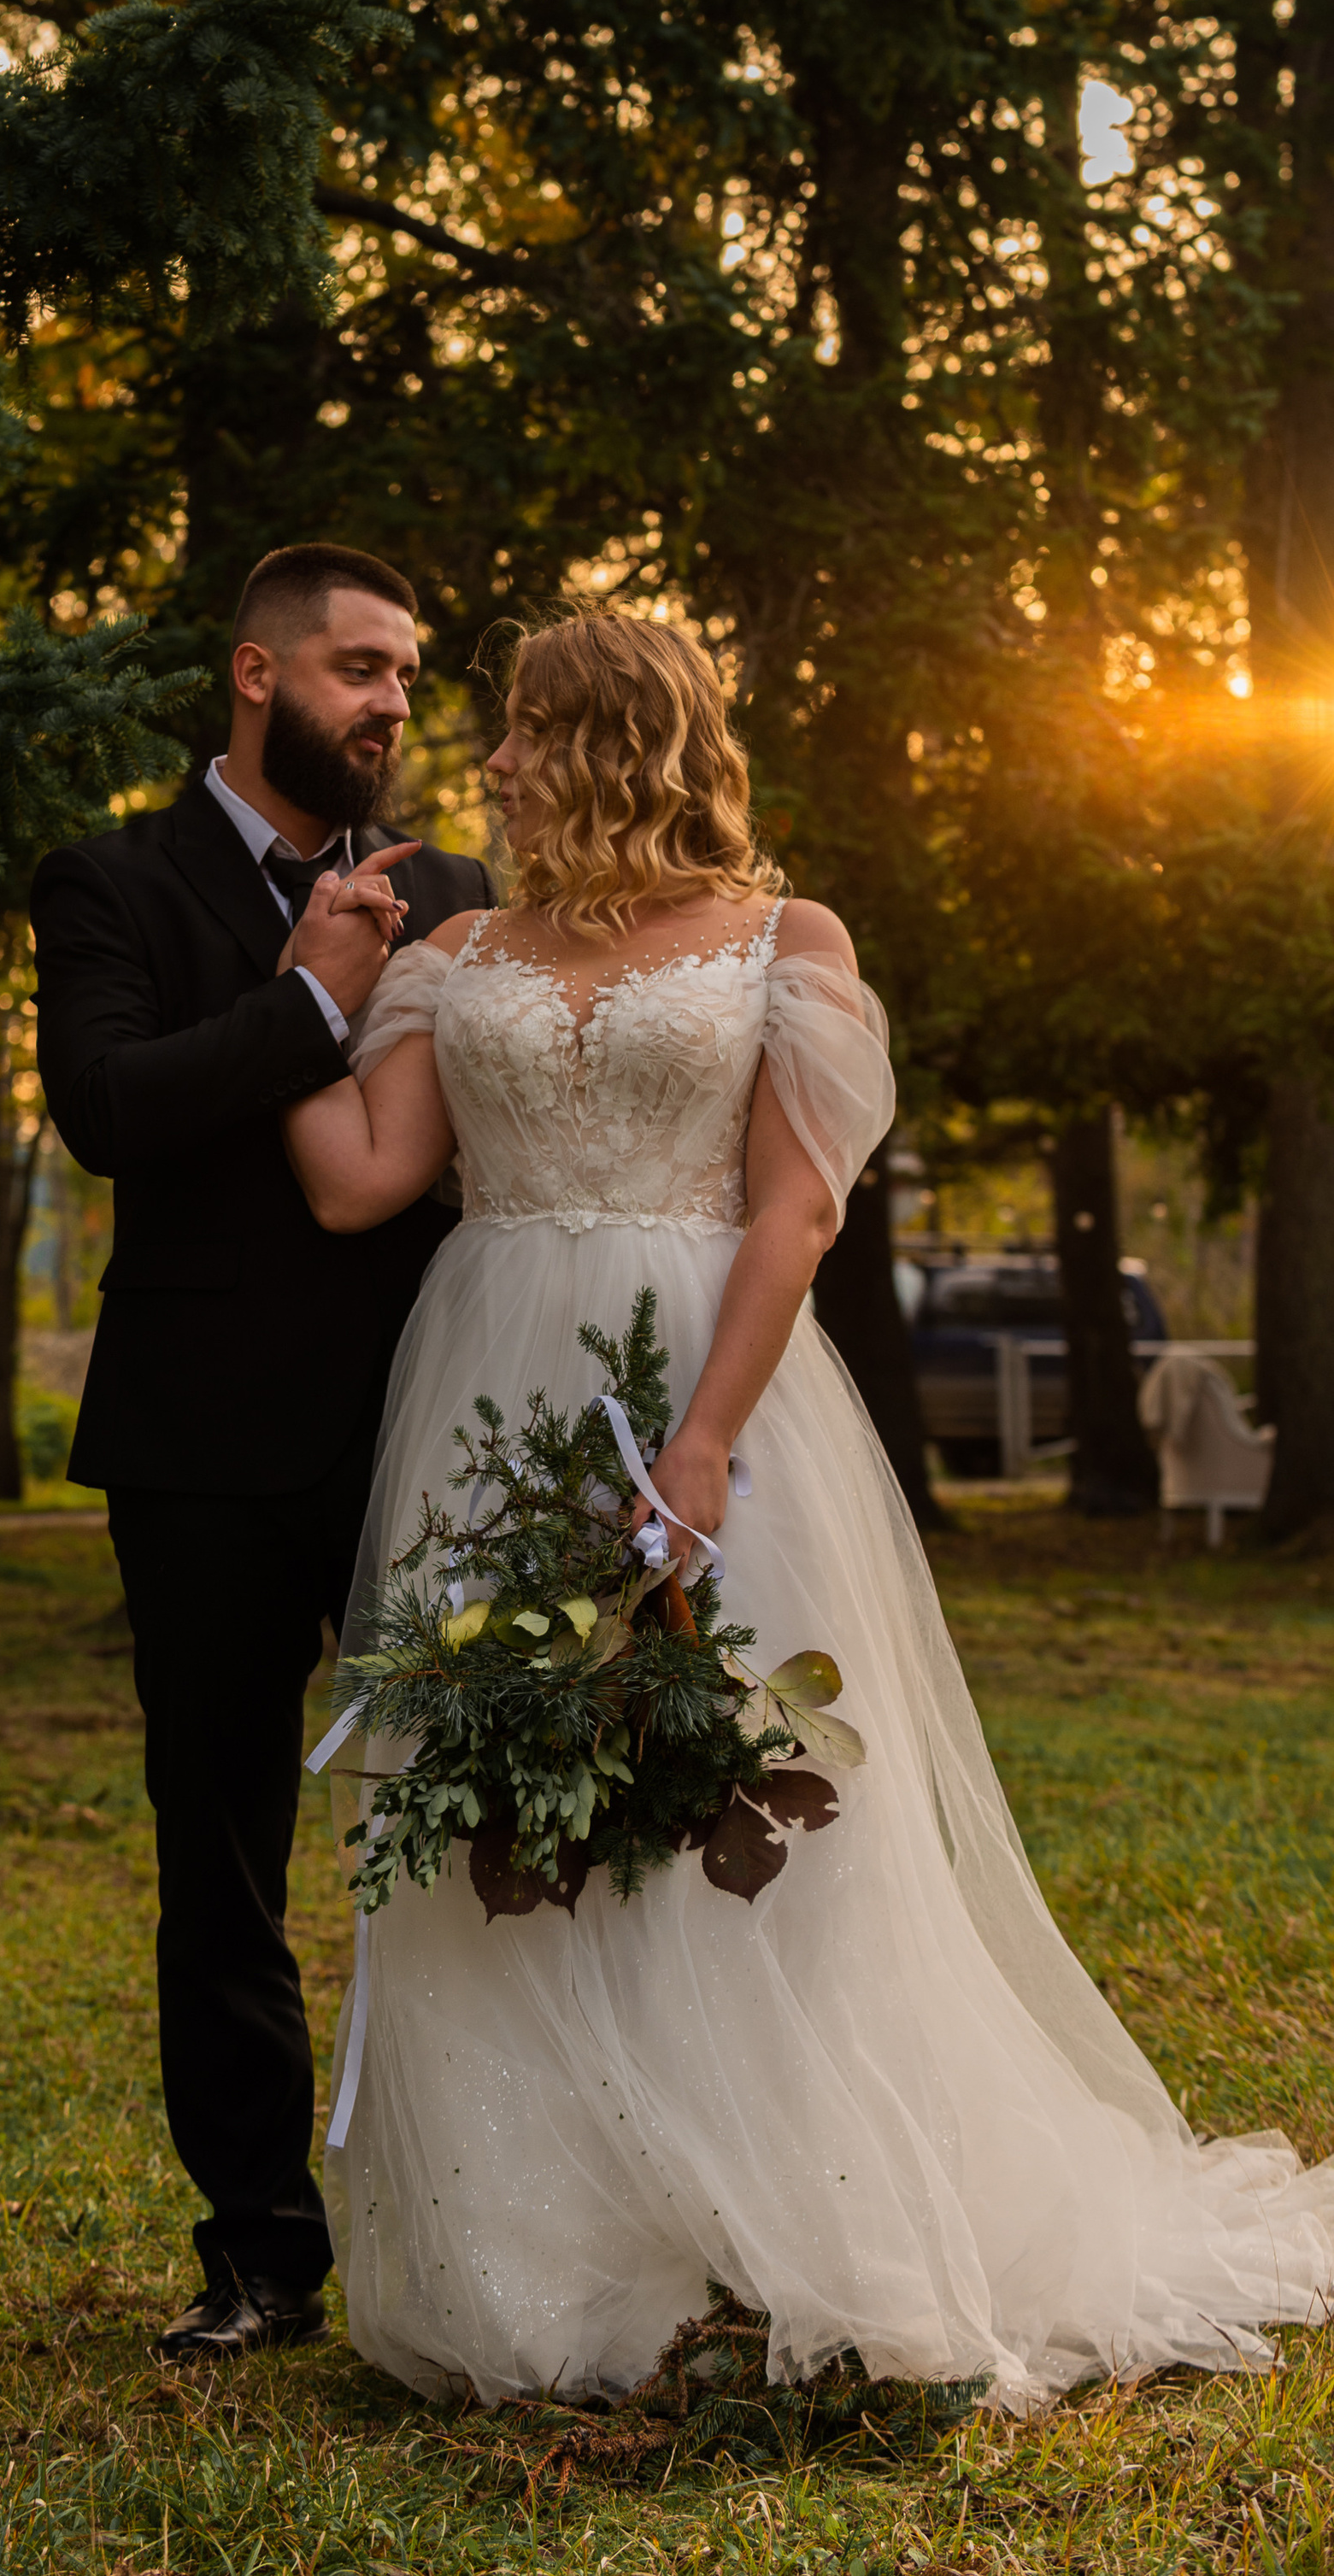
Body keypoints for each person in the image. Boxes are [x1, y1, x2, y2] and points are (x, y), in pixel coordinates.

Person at [279, 601, 1334, 2410]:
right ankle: (552, 2258)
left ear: (608, 738)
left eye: (524, 729)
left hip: (719, 1389)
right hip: (482, 1392)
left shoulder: (787, 941)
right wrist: (303, 988)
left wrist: (693, 1447)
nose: (497, 763)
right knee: (500, 1800)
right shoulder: (451, 949)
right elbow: (358, 1182)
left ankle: (788, 2228)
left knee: (748, 1800)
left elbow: (794, 1212)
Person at [31, 543, 492, 2362]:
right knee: (218, 1857)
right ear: (254, 671)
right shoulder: (113, 880)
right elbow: (107, 1110)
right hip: (200, 1446)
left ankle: (469, 2227)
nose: (392, 703)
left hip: (426, 1423)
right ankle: (262, 2255)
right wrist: (304, 1000)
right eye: (362, 668)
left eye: (404, 676)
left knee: (463, 1841)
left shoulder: (456, 888)